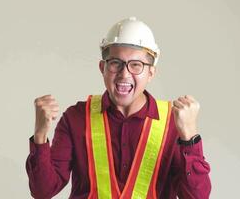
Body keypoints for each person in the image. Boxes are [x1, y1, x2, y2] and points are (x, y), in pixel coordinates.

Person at [26, 17, 211, 199]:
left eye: (136, 65)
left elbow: (196, 197)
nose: (124, 74)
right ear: (102, 68)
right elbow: (43, 191)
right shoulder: (76, 118)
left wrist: (190, 137)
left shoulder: (173, 123)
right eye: (116, 63)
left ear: (151, 73)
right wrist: (40, 135)